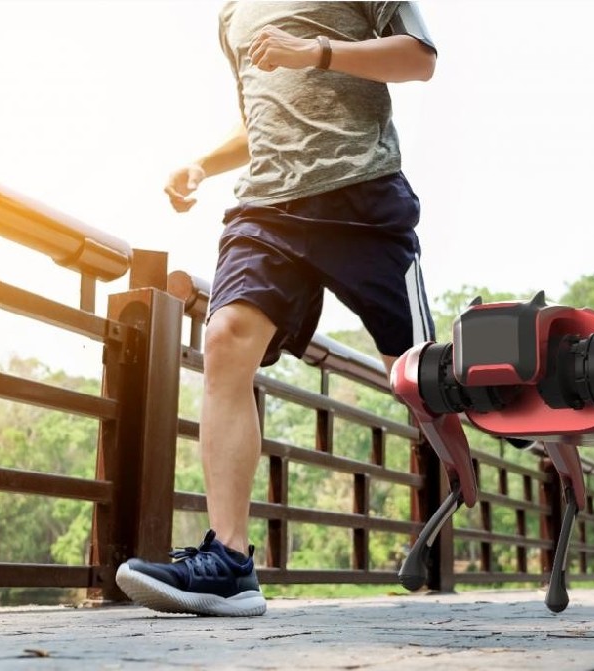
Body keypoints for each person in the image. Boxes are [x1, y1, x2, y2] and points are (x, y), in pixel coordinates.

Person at [114, 1, 438, 617]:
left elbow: (419, 60)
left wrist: (314, 51)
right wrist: (203, 165)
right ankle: (231, 564)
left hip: (363, 199)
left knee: (422, 379)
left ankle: (514, 421)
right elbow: (263, 120)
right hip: (267, 208)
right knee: (226, 336)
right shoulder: (232, 14)